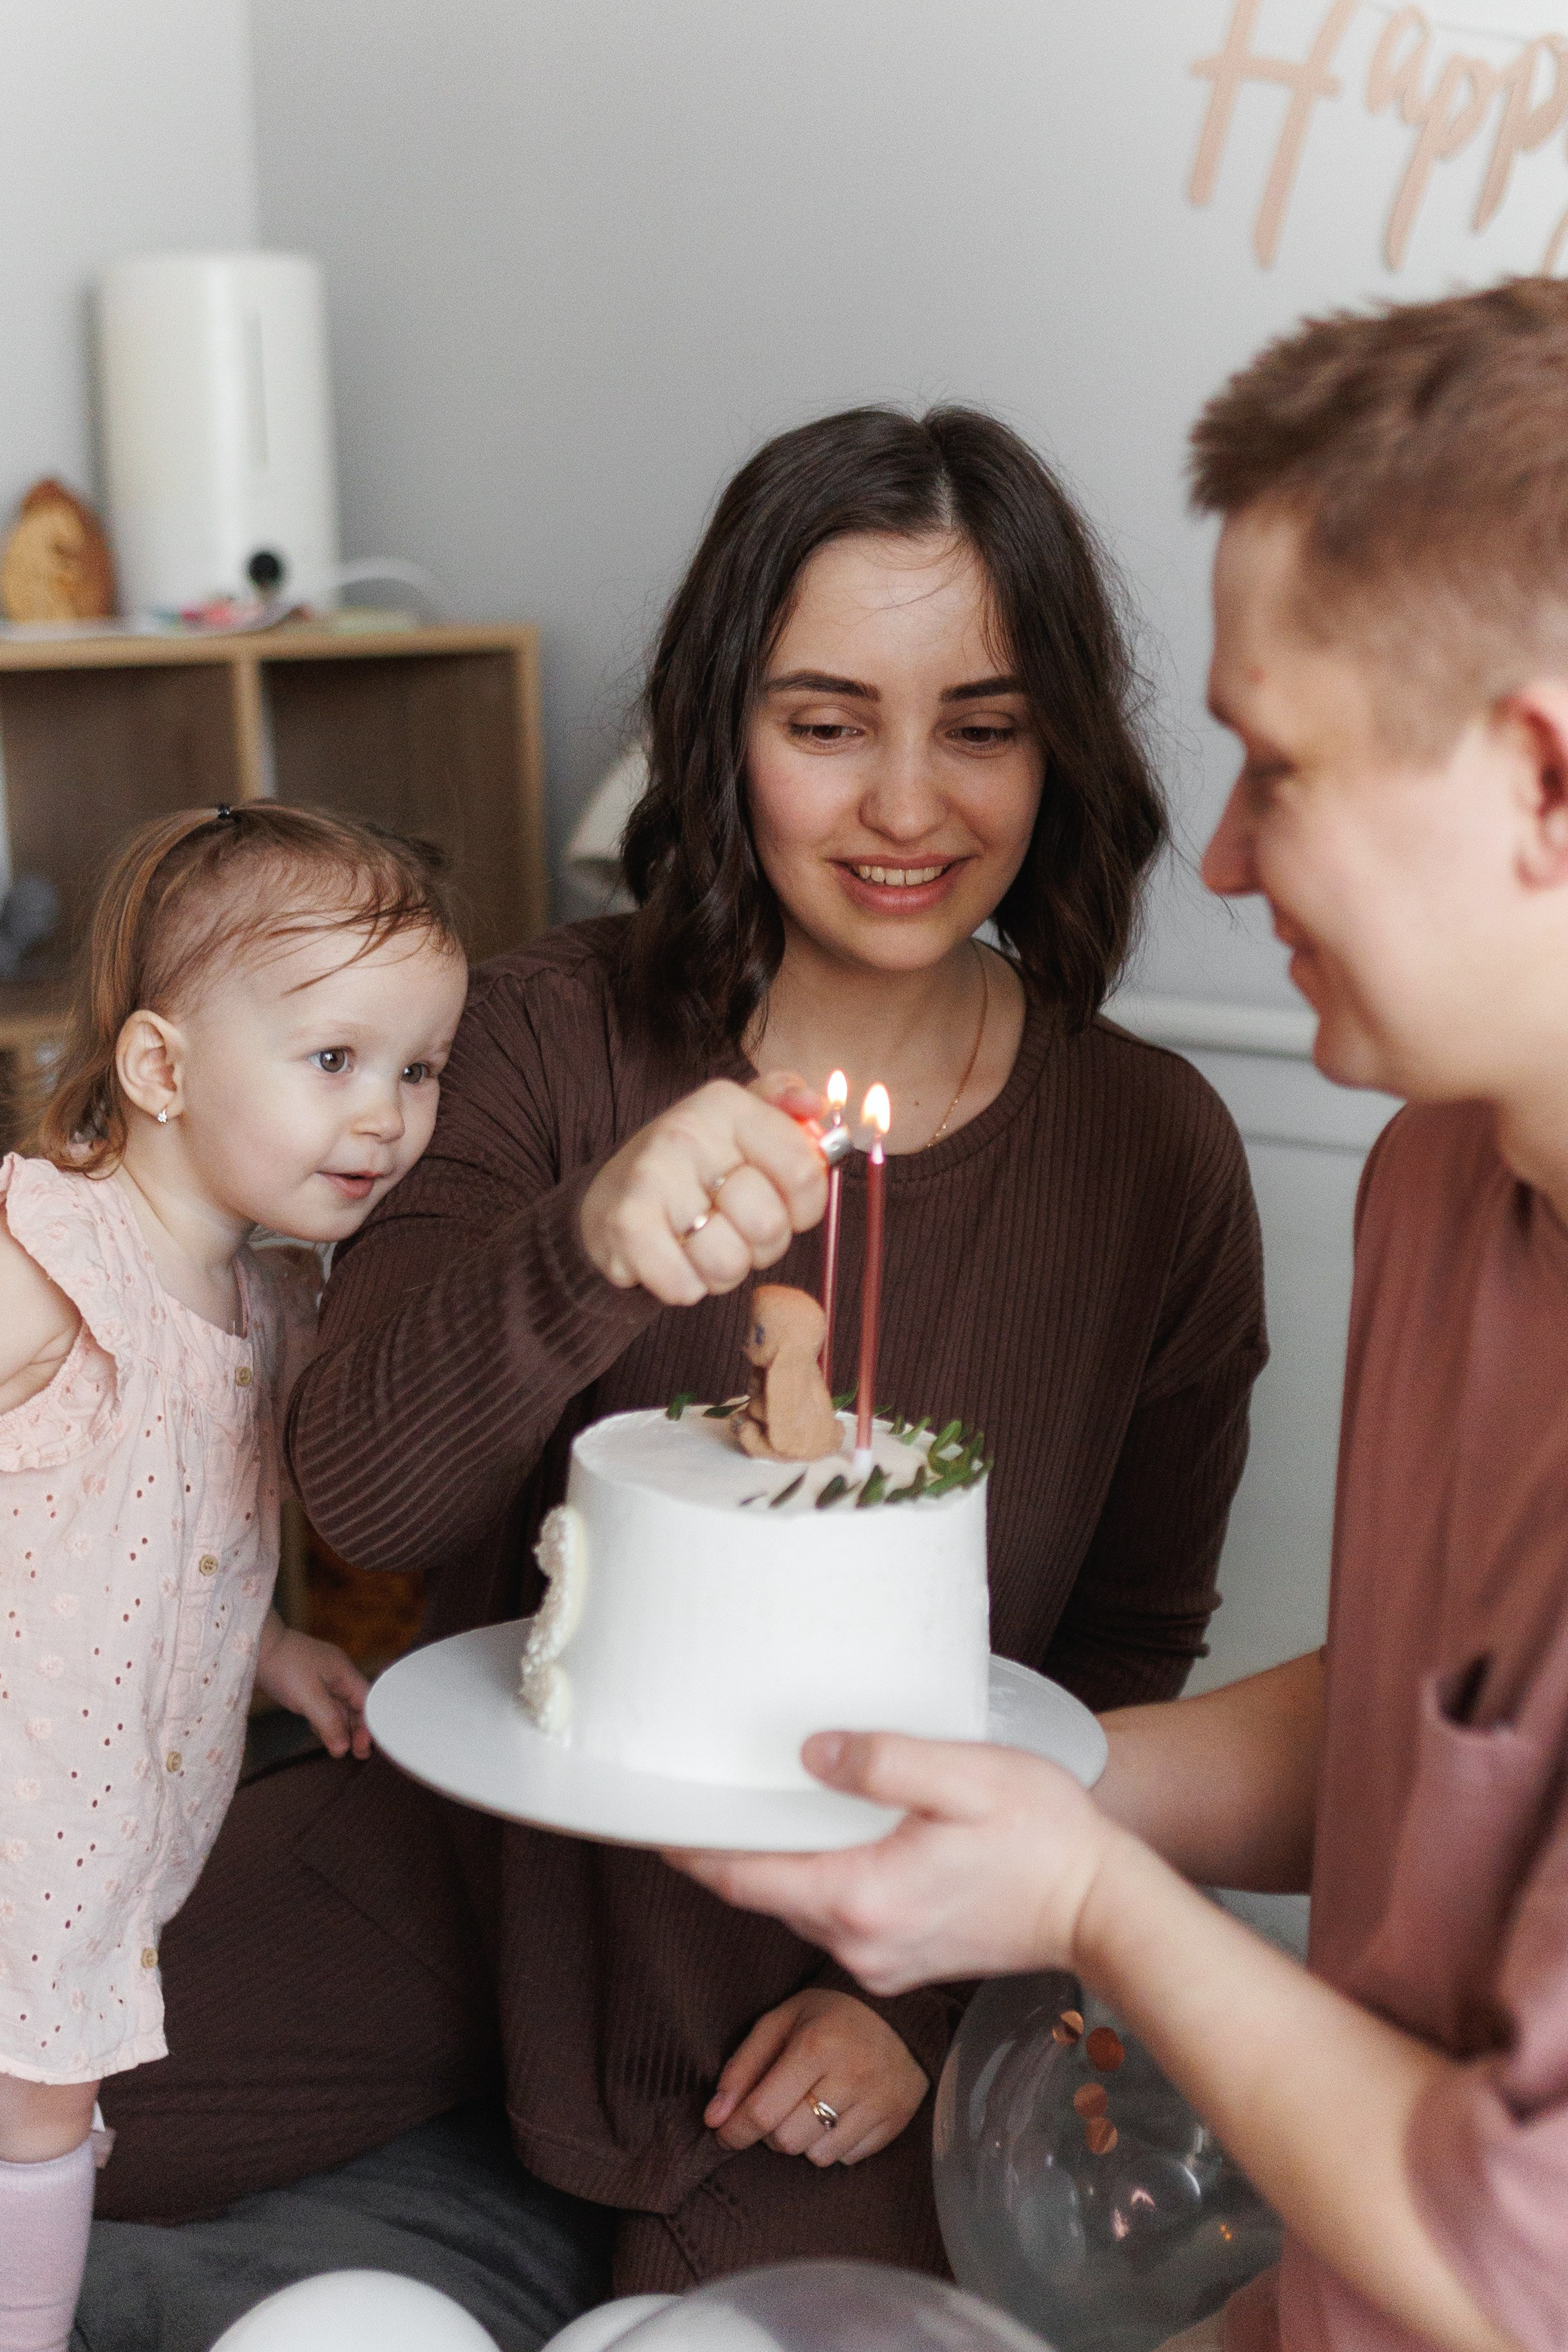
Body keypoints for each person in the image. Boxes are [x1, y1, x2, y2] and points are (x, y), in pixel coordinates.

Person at [92, 406, 1265, 2315]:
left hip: (831, 1982)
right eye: (826, 724)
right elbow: (362, 1496)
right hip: (451, 1880)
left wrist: (921, 2002)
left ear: (1059, 747)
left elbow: (1121, 1652)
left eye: (980, 727)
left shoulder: (1155, 1151)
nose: (907, 805)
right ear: (723, 732)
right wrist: (589, 1249)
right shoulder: (536, 1035)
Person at [675, 283, 1568, 2352]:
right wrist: (991, 1769)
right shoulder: (1442, 1171)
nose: (1224, 856)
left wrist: (1081, 1900)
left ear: (1540, 780)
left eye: (1283, 768)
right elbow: (1431, 1732)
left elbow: (1514, 2263)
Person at [0, 803, 469, 2352]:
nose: (385, 1115)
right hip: (21, 1795)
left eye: (418, 1070)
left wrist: (266, 1646)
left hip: (110, 1813)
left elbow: (166, 1524)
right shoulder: (59, 1257)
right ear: (161, 1069)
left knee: (43, 2082)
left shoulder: (266, 1299)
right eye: (334, 1060)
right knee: (38, 2092)